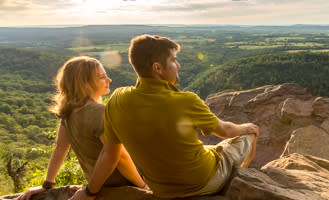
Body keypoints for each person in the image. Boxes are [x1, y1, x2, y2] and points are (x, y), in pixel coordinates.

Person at [70, 34, 259, 200]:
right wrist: (247, 128)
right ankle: (242, 177)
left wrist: (89, 192)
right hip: (204, 181)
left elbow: (109, 154)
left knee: (210, 148)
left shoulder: (116, 100)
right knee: (246, 136)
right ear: (157, 68)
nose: (178, 65)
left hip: (161, 189)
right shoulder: (186, 101)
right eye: (174, 60)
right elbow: (225, 131)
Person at [16, 56, 146, 200]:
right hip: (124, 186)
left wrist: (47, 184)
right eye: (102, 77)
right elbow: (119, 156)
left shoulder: (69, 114)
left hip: (100, 186)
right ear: (85, 84)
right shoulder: (102, 112)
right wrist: (142, 186)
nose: (109, 80)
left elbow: (60, 148)